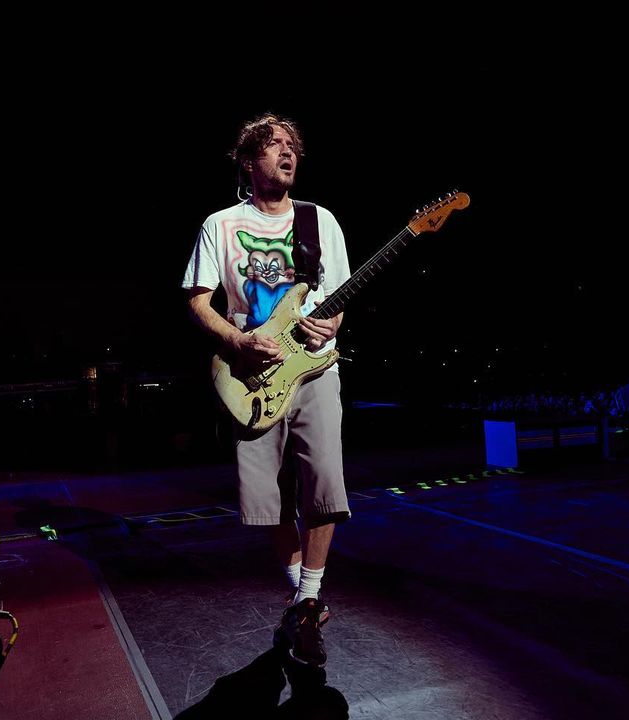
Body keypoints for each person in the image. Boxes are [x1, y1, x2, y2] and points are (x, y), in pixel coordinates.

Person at [181, 114, 351, 667]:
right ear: (249, 162)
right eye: (273, 146)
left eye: (292, 146)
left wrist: (333, 322)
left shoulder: (318, 220)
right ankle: (300, 587)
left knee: (323, 480)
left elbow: (338, 294)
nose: (287, 153)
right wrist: (238, 340)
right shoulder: (221, 224)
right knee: (266, 495)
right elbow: (197, 300)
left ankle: (307, 599)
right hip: (248, 375)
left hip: (316, 368)